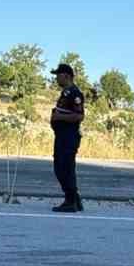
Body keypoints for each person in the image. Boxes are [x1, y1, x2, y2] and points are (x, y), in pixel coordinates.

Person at [49, 63, 85, 212]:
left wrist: (59, 117)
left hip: (68, 136)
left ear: (66, 76)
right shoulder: (66, 93)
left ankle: (70, 201)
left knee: (64, 168)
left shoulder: (74, 93)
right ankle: (75, 199)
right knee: (61, 167)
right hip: (62, 135)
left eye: (58, 75)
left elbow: (79, 115)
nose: (56, 78)